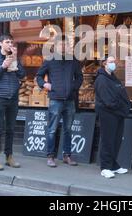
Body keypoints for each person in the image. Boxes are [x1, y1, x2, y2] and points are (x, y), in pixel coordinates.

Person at [36, 35, 83, 167]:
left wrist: (73, 88)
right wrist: (45, 85)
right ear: (55, 46)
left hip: (69, 101)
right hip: (55, 100)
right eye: (60, 44)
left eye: (65, 44)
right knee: (52, 129)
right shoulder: (49, 60)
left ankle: (67, 156)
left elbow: (80, 77)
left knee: (68, 129)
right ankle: (50, 156)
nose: (63, 47)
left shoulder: (73, 60)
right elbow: (39, 76)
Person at [0, 33, 26, 170]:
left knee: (11, 129)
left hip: (13, 98)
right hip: (0, 98)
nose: (10, 44)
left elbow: (22, 75)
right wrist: (3, 66)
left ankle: (9, 157)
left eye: (11, 42)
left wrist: (16, 61)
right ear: (1, 43)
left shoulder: (14, 57)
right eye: (7, 42)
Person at [94, 56, 132, 179]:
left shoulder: (113, 77)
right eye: (110, 62)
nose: (113, 64)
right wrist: (121, 106)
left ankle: (113, 165)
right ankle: (105, 167)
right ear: (104, 63)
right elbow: (108, 100)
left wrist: (125, 105)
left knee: (116, 140)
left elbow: (121, 93)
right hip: (108, 114)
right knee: (107, 140)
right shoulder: (101, 79)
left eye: (114, 61)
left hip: (117, 113)